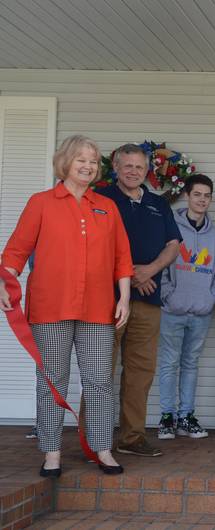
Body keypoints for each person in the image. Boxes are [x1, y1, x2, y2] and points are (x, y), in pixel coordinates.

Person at [1, 134, 132, 475]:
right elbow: (16, 251)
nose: (88, 166)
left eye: (93, 160)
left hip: (98, 310)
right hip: (50, 308)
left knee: (100, 382)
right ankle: (52, 453)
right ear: (65, 163)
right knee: (52, 383)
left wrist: (125, 298)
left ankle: (103, 449)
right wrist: (5, 280)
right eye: (81, 160)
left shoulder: (107, 206)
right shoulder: (41, 203)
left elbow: (122, 258)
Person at [96, 143, 181, 458]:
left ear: (148, 170)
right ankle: (96, 438)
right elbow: (93, 244)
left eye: (139, 167)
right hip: (108, 299)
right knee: (100, 370)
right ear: (116, 167)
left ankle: (131, 438)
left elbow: (173, 245)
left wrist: (151, 270)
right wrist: (132, 275)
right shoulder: (101, 199)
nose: (133, 171)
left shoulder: (158, 203)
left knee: (140, 371)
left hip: (148, 300)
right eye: (127, 166)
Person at [156, 174, 215, 441]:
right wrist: (167, 294)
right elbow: (159, 262)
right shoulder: (170, 227)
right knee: (168, 364)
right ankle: (166, 418)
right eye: (197, 194)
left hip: (200, 312)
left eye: (207, 195)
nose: (202, 200)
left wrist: (212, 298)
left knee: (190, 364)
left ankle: (186, 417)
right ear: (187, 195)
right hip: (172, 310)